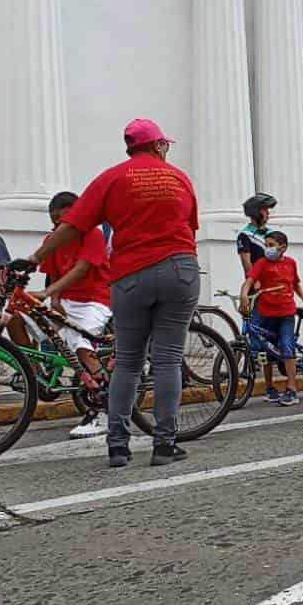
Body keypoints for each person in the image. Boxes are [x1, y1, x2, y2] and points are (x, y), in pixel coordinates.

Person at [16, 118, 200, 468]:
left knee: (128, 361)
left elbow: (73, 226)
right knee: (167, 359)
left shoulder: (111, 178)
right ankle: (164, 444)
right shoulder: (179, 178)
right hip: (179, 269)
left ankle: (118, 446)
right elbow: (189, 227)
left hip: (131, 275)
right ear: (159, 145)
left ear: (130, 147)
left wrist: (36, 258)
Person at [7, 192, 113, 439]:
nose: (59, 227)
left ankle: (104, 410)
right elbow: (54, 272)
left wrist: (47, 293)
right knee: (13, 316)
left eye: (63, 222)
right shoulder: (52, 239)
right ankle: (34, 373)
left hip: (94, 300)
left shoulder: (92, 234)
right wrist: (54, 300)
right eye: (55, 222)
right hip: (63, 298)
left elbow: (81, 268)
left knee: (81, 348)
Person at [240, 231, 303, 407]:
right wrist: (244, 295)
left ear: (283, 247)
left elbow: (295, 283)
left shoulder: (291, 263)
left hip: (286, 313)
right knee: (266, 351)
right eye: (266, 245)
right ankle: (270, 388)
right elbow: (249, 281)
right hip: (266, 313)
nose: (268, 249)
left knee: (287, 347)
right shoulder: (261, 263)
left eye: (271, 245)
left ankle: (292, 389)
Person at [238, 193, 278, 274]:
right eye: (264, 210)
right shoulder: (245, 235)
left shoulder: (272, 233)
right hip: (258, 282)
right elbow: (247, 265)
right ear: (255, 212)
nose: (268, 213)